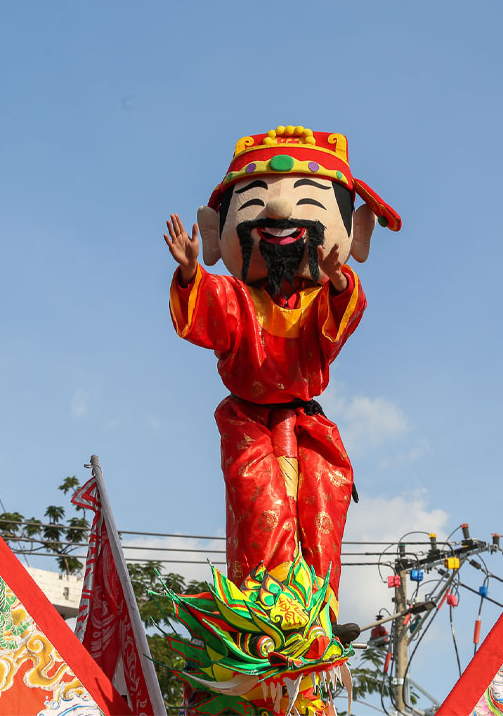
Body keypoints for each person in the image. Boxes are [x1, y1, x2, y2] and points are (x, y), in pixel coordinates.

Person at [164, 126, 400, 626]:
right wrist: (189, 276)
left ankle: (316, 618)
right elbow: (206, 310)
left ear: (352, 233)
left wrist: (337, 281)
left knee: (321, 510)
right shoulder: (236, 298)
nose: (276, 213)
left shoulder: (321, 302)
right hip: (248, 421)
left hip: (307, 427)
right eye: (255, 202)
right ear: (215, 231)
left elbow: (339, 323)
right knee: (260, 507)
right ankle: (266, 616)